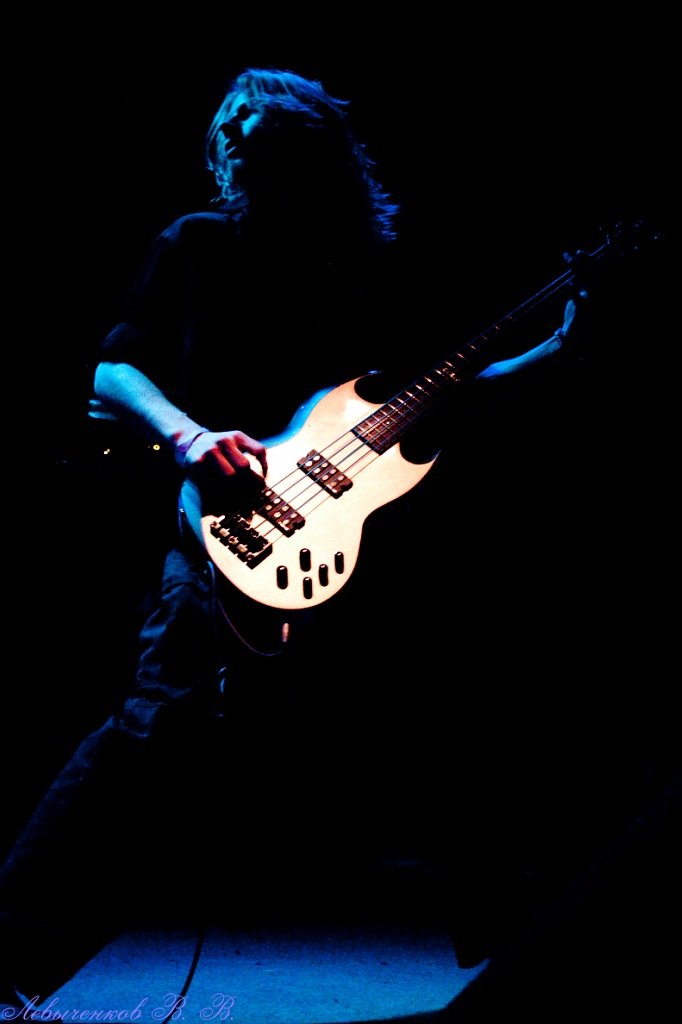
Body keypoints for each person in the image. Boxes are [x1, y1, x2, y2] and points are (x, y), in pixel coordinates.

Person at [0, 66, 583, 1008]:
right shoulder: (194, 244)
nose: (232, 130)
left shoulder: (363, 272)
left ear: (307, 135)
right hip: (223, 530)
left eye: (253, 116)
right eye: (224, 122)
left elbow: (434, 399)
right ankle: (9, 950)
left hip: (358, 537)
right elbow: (112, 371)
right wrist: (189, 438)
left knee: (444, 711)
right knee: (154, 729)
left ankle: (511, 938)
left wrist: (550, 355)